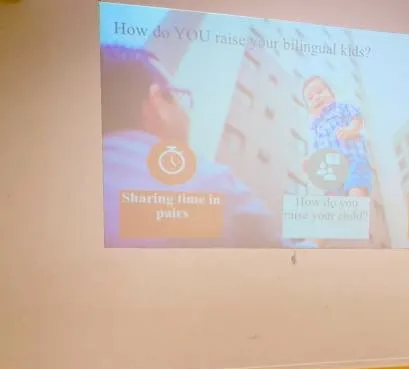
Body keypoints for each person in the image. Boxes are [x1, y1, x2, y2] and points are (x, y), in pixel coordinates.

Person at [100, 44, 280, 248]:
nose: (186, 113)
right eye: (178, 96)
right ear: (157, 99)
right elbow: (278, 249)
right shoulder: (202, 180)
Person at [301, 75, 372, 197]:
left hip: (352, 159)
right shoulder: (316, 127)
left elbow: (356, 117)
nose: (316, 98)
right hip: (331, 170)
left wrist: (351, 129)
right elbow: (318, 152)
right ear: (309, 109)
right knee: (333, 197)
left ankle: (357, 203)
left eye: (319, 92)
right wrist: (311, 163)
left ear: (332, 94)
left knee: (355, 188)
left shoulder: (340, 107)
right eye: (310, 98)